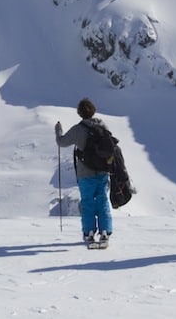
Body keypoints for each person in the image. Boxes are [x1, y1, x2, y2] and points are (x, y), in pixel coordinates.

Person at [55, 98, 113, 246]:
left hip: (85, 173)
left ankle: (90, 233)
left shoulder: (77, 130)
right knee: (102, 200)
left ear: (79, 113)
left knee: (87, 202)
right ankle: (105, 232)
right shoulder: (102, 125)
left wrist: (58, 131)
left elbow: (61, 142)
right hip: (102, 171)